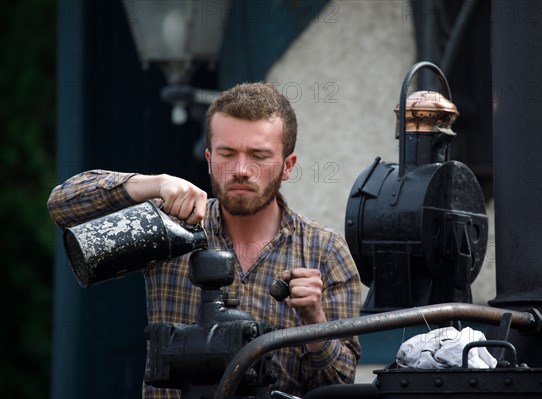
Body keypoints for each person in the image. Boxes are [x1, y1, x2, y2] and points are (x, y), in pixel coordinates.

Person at [47, 82, 362, 398]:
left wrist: (314, 321)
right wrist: (156, 184)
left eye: (258, 155)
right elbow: (63, 205)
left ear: (287, 166)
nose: (241, 170)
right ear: (209, 158)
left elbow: (337, 388)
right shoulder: (171, 226)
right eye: (227, 153)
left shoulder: (324, 252)